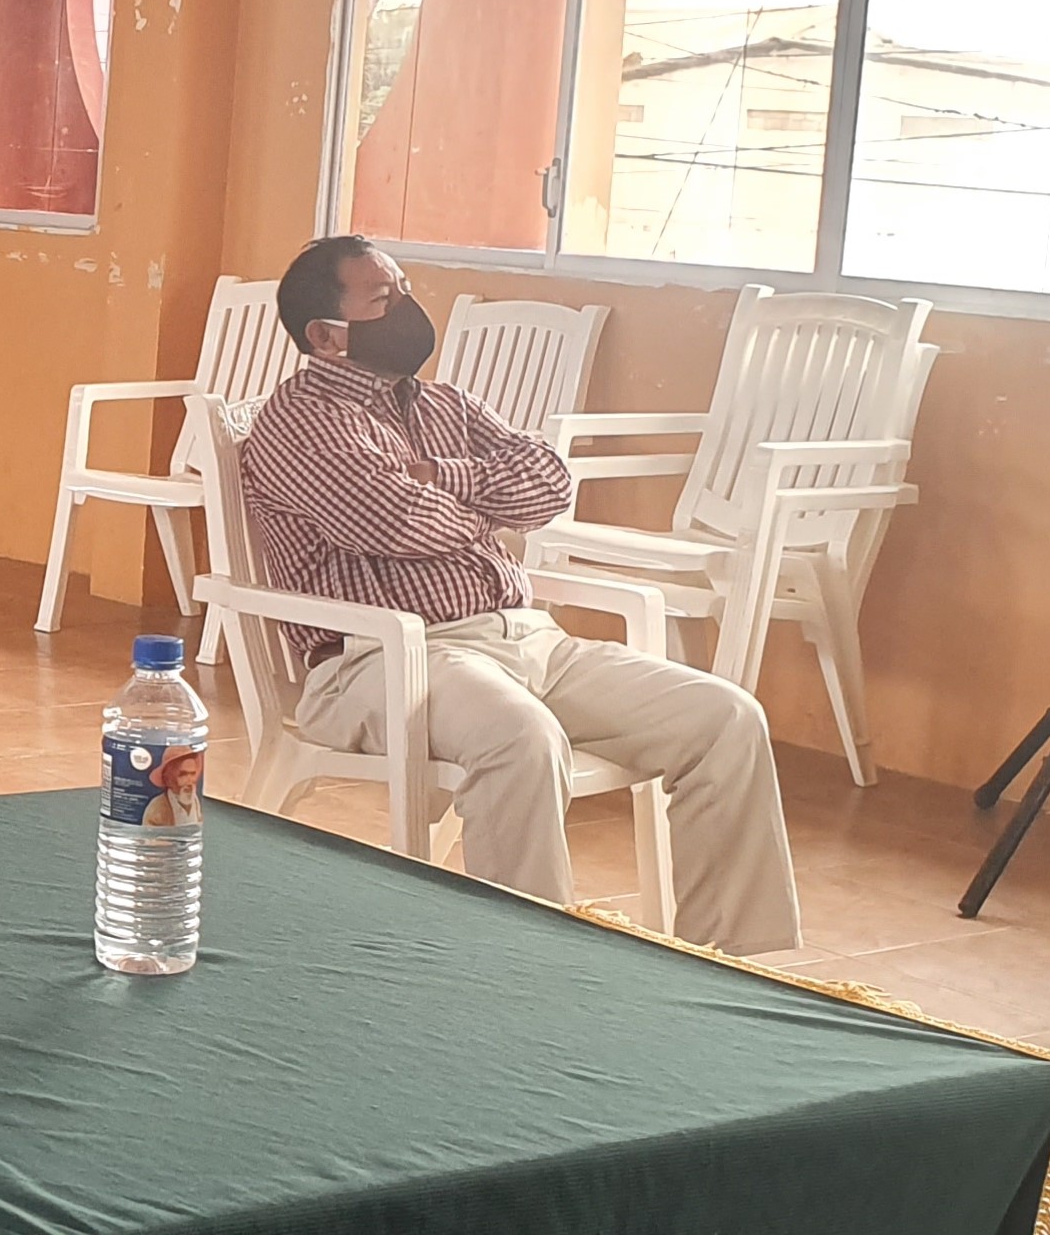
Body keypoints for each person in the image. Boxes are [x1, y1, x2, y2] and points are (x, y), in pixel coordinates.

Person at [238, 234, 801, 951]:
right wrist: (486, 508)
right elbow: (399, 523)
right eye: (383, 299)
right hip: (386, 659)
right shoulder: (301, 421)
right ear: (325, 336)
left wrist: (445, 476)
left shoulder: (448, 405)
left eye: (404, 289)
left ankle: (731, 966)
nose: (407, 308)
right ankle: (528, 969)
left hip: (528, 639)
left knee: (726, 719)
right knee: (522, 739)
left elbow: (551, 482)